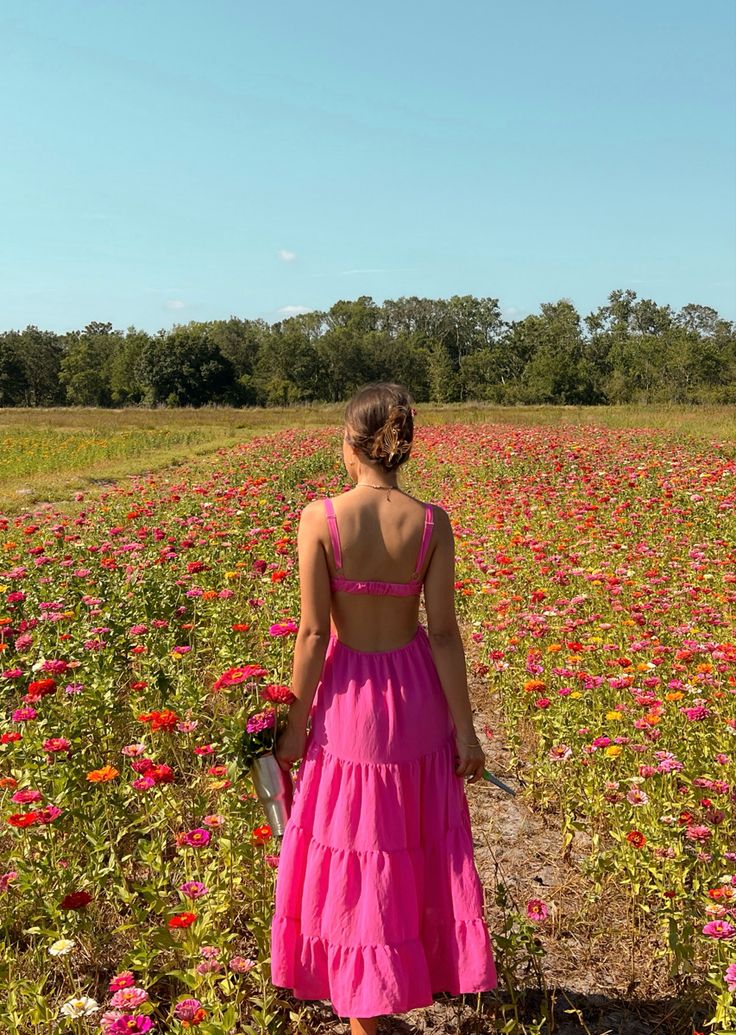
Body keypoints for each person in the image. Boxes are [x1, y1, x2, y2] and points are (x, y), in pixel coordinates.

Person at [270, 382, 497, 1034]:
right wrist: (466, 729)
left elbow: (313, 634)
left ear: (350, 444)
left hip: (349, 705)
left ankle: (367, 1007)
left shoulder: (321, 517)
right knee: (408, 844)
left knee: (360, 847)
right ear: (401, 447)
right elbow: (446, 632)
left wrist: (293, 724)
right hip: (416, 696)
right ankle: (386, 993)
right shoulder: (431, 522)